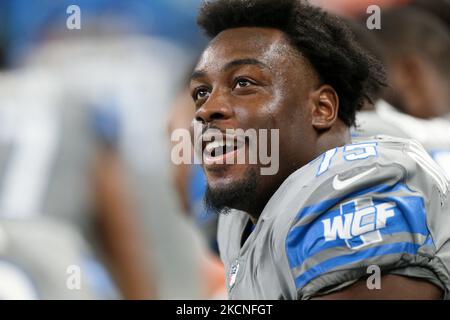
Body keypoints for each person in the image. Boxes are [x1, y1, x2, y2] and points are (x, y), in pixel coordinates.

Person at [190, 0, 450, 299]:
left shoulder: (350, 191)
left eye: (243, 83)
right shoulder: (239, 217)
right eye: (200, 93)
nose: (207, 109)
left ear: (322, 109)